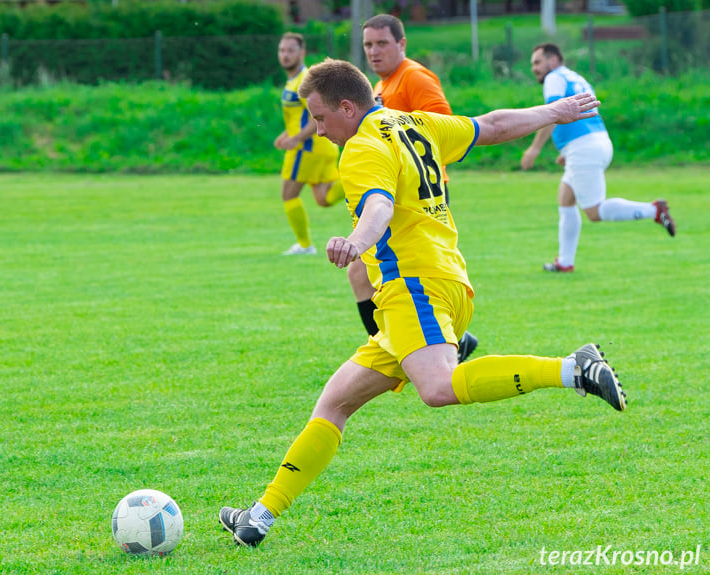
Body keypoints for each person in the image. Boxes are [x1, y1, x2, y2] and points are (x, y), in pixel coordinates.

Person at [219, 58, 627, 548]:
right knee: (333, 405)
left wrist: (356, 240)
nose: (319, 129)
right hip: (442, 284)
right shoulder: (410, 122)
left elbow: (379, 206)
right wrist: (553, 111)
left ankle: (572, 368)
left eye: (322, 118)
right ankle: (258, 517)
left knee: (437, 387)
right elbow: (491, 125)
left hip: (413, 287)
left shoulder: (361, 148)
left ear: (347, 107)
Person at [351, 13, 478, 362]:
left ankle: (396, 354)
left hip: (419, 197)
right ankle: (439, 343)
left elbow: (442, 128)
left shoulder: (415, 77)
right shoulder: (379, 87)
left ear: (402, 44)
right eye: (368, 45)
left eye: (382, 44)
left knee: (365, 271)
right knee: (367, 273)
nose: (374, 52)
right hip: (393, 197)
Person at [521, 43, 676, 273]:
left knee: (594, 212)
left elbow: (552, 114)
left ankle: (654, 210)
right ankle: (565, 262)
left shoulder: (554, 77)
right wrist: (569, 152)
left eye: (537, 62)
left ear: (553, 60)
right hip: (596, 141)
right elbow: (583, 114)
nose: (534, 68)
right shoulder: (575, 77)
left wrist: (534, 148)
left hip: (584, 147)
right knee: (565, 197)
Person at [274, 32, 345, 255]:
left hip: (308, 148)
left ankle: (305, 246)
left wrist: (296, 138)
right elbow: (302, 116)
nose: (285, 55)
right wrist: (287, 133)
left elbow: (319, 116)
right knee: (324, 199)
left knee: (288, 194)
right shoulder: (295, 80)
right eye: (282, 50)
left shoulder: (305, 82)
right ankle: (355, 176)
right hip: (319, 147)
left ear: (302, 53)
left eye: (290, 51)